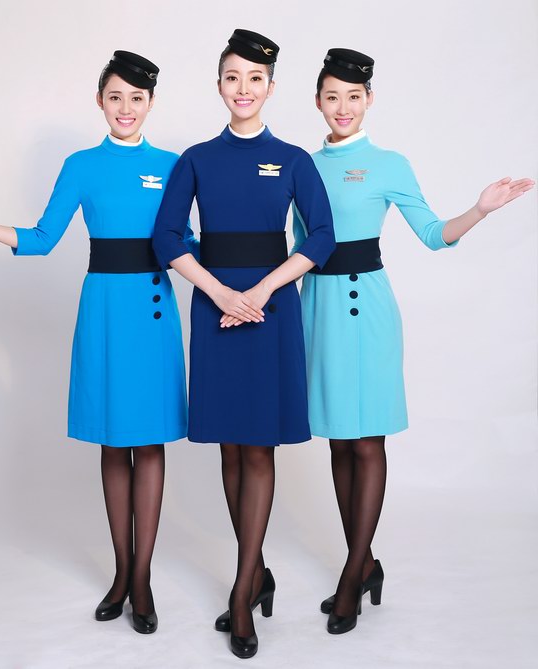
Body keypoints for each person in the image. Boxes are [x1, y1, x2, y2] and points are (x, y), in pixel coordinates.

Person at [0, 50, 198, 635]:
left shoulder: (173, 166)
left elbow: (187, 244)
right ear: (100, 101)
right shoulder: (81, 165)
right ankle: (120, 573)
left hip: (152, 312)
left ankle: (141, 579)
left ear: (151, 104)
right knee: (112, 443)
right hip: (104, 311)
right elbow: (43, 238)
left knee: (148, 443)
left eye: (137, 98)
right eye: (115, 97)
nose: (125, 108)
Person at [293, 47, 535, 635]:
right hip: (318, 306)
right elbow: (294, 245)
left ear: (369, 100)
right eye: (332, 96)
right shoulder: (301, 164)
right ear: (317, 101)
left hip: (367, 308)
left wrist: (479, 209)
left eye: (354, 96)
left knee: (367, 440)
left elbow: (431, 233)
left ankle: (351, 575)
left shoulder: (389, 164)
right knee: (338, 441)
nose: (343, 107)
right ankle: (366, 563)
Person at [152, 29, 335, 659]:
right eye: (233, 77)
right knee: (229, 447)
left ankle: (241, 590)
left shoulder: (294, 159)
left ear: (271, 88)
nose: (244, 89)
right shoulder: (197, 158)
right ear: (219, 85)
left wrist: (258, 292)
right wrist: (220, 294)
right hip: (216, 310)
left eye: (255, 79)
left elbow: (321, 237)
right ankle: (255, 571)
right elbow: (167, 236)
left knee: (257, 447)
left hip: (270, 309)